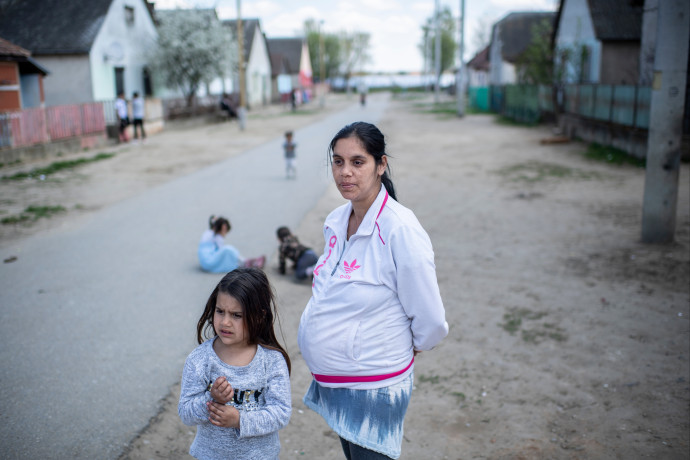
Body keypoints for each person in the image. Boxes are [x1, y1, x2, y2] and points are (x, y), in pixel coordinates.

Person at [297, 122, 448, 459]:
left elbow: (431, 319)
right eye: (337, 162)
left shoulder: (400, 229)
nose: (345, 173)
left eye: (357, 162)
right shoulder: (336, 220)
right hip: (338, 387)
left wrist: (413, 346)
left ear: (381, 165)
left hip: (374, 389)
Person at [178, 268, 292, 460]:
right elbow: (185, 413)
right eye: (220, 311)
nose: (225, 322)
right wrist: (211, 399)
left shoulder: (271, 361)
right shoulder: (200, 359)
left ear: (259, 315)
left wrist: (240, 420)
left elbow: (280, 413)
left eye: (236, 315)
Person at [198, 215, 265, 273]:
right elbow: (221, 250)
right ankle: (245, 262)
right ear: (223, 228)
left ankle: (245, 262)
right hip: (209, 262)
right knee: (228, 249)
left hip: (206, 261)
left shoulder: (209, 233)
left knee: (228, 252)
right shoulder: (217, 236)